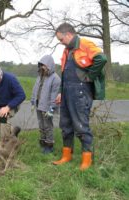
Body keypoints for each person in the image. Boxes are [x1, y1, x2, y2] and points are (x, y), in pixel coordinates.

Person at [52, 23, 107, 170]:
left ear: (69, 34)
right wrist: (60, 92)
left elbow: (101, 58)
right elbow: (64, 74)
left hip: (81, 92)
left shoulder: (85, 44)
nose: (61, 42)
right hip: (67, 92)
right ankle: (66, 155)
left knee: (81, 126)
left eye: (61, 39)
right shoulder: (66, 51)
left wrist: (89, 76)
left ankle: (86, 160)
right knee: (65, 125)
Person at [31, 55, 61, 154]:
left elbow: (54, 97)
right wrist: (32, 101)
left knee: (48, 126)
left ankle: (49, 145)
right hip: (39, 105)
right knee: (41, 124)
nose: (42, 67)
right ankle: (43, 141)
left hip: (48, 107)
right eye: (41, 65)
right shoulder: (40, 76)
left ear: (49, 65)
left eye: (44, 65)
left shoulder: (55, 79)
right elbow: (35, 89)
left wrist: (51, 109)